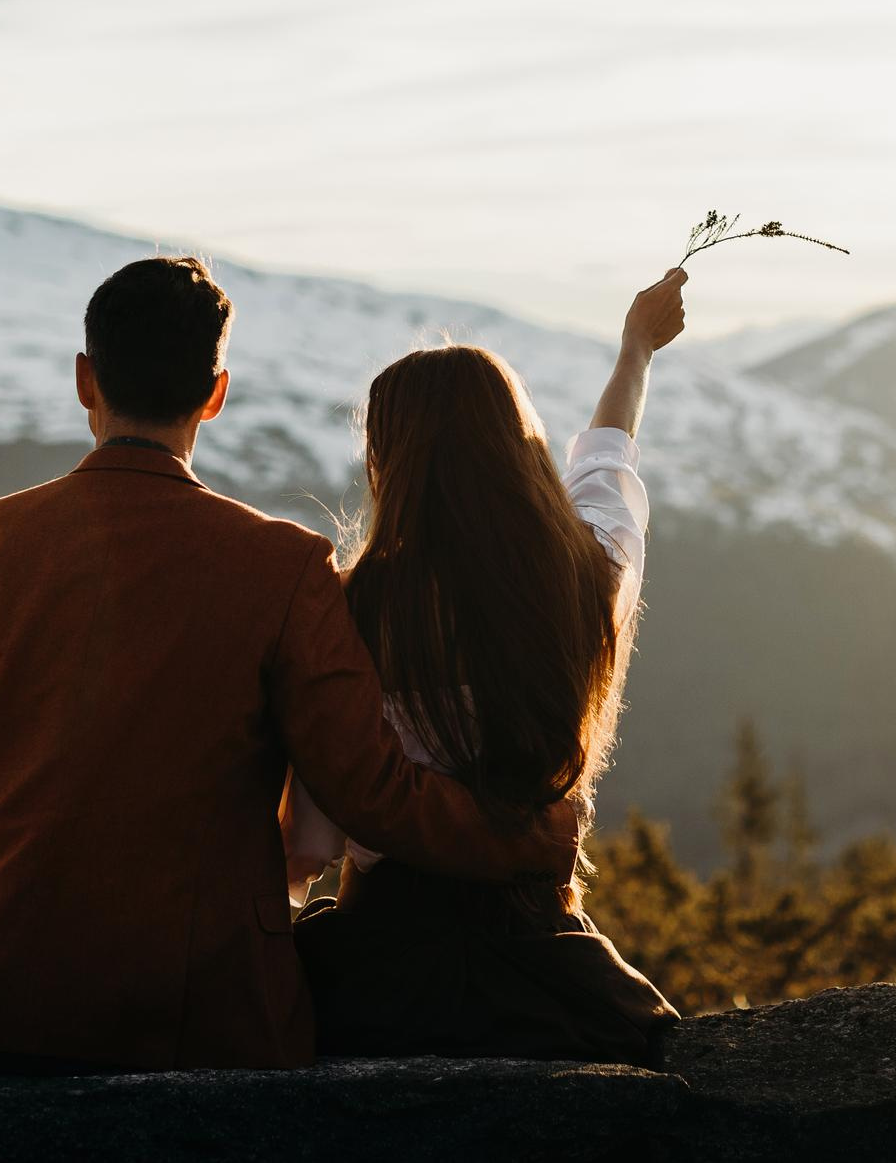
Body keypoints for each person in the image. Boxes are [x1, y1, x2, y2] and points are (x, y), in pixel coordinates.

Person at [0, 256, 578, 1082]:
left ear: (86, 379)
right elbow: (372, 791)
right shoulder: (287, 565)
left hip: (1, 997)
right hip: (208, 1009)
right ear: (216, 392)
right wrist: (527, 832)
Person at [285, 269, 687, 1065]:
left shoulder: (340, 614)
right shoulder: (586, 579)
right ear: (518, 448)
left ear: (387, 461)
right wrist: (636, 350)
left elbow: (307, 846)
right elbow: (606, 469)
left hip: (378, 968)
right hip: (545, 962)